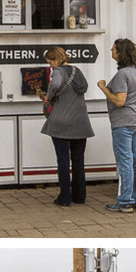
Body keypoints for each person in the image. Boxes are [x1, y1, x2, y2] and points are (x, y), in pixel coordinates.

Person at [39, 46, 94, 206]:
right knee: (78, 161)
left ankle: (64, 198)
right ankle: (80, 196)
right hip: (80, 122)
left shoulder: (58, 71)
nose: (50, 66)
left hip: (61, 123)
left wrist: (48, 97)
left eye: (50, 62)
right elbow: (85, 87)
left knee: (63, 161)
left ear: (56, 59)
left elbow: (55, 84)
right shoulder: (77, 71)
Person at [97, 38, 136, 213]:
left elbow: (120, 101)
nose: (111, 51)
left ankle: (125, 200)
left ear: (120, 53)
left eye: (113, 49)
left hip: (123, 123)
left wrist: (104, 88)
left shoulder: (122, 74)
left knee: (125, 162)